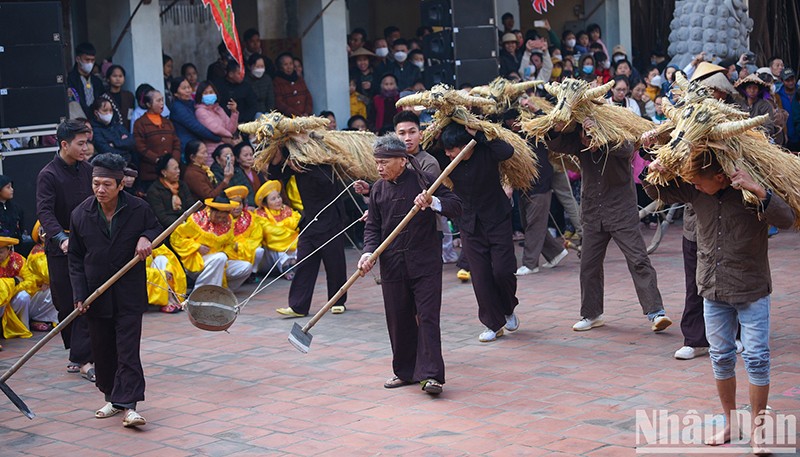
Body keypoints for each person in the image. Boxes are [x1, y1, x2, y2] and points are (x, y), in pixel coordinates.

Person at [645, 152, 795, 453]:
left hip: (750, 287)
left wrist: (759, 190)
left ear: (720, 177)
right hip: (712, 289)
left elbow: (787, 220)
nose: (695, 188)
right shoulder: (694, 190)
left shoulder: (750, 193)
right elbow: (656, 191)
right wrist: (654, 171)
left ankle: (757, 429)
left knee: (756, 359)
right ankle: (730, 422)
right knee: (721, 357)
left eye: (700, 183)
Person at [358, 134, 462, 395]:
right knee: (398, 317)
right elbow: (373, 228)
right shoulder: (378, 190)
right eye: (377, 163)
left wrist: (432, 202)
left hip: (424, 262)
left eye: (384, 162)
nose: (379, 168)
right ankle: (405, 372)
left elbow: (455, 206)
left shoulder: (425, 181)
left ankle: (431, 376)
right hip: (392, 264)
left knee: (427, 317)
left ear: (402, 161)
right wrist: (368, 253)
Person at [545, 119, 671, 333]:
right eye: (583, 134)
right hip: (593, 212)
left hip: (621, 210)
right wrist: (556, 128)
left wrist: (602, 140)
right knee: (588, 265)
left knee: (638, 259)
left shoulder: (619, 136)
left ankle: (655, 312)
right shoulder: (579, 142)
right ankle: (591, 314)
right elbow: (556, 144)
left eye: (590, 134)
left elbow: (627, 148)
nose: (586, 138)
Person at [69, 153, 161, 428]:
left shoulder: (138, 208)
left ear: (121, 185)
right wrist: (79, 294)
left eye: (107, 184)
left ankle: (130, 406)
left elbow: (155, 228)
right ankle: (113, 398)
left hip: (128, 292)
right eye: (96, 183)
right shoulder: (80, 214)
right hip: (96, 294)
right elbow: (74, 258)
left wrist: (146, 238)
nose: (100, 189)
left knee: (127, 349)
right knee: (103, 351)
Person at [439, 123, 520, 342]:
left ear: (466, 146)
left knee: (503, 271)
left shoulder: (486, 151)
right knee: (481, 276)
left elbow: (507, 151)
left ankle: (508, 308)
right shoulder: (447, 160)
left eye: (452, 149)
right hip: (469, 223)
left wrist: (480, 134)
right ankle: (492, 324)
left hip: (497, 218)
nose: (447, 154)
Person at [36, 119, 95, 381]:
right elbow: (45, 211)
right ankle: (76, 352)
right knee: (65, 301)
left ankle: (84, 358)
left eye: (86, 143)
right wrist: (60, 237)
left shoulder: (88, 170)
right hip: (61, 246)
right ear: (64, 144)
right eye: (80, 143)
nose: (85, 148)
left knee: (84, 299)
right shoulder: (48, 175)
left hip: (87, 245)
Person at [270, 150, 348, 317]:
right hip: (309, 220)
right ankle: (298, 306)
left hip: (331, 218)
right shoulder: (295, 158)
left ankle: (337, 301)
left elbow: (326, 181)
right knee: (304, 262)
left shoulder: (324, 157)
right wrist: (277, 158)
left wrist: (302, 167)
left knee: (334, 262)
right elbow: (274, 175)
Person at [504, 111, 568, 276]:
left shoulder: (535, 131)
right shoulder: (511, 136)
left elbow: (549, 123)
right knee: (529, 223)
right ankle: (555, 253)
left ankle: (530, 264)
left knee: (534, 224)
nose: (513, 124)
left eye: (515, 120)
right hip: (523, 185)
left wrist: (533, 108)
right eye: (510, 121)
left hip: (540, 184)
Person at [170, 196, 251, 290]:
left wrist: (226, 253)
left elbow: (230, 244)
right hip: (198, 262)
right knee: (220, 257)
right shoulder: (196, 220)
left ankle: (222, 291)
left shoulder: (229, 222)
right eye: (218, 217)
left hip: (220, 261)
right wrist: (197, 247)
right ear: (211, 211)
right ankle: (203, 292)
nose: (220, 220)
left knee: (246, 267)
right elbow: (176, 238)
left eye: (223, 217)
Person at [0, 237, 57, 336]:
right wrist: (13, 282)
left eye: (0, 252)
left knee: (24, 296)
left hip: (13, 299)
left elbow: (30, 281)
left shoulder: (18, 260)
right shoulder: (37, 254)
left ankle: (24, 326)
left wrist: (11, 290)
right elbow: (48, 274)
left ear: (8, 250)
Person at [132, 89, 181, 192]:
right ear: (148, 104)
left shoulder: (167, 122)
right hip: (150, 174)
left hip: (170, 173)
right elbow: (140, 147)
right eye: (158, 101)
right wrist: (158, 160)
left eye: (162, 100)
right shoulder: (140, 123)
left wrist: (173, 161)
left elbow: (176, 142)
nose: (162, 103)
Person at [254, 180, 299, 279]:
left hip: (289, 245)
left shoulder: (286, 209)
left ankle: (292, 263)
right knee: (276, 242)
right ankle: (285, 266)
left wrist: (281, 227)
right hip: (269, 255)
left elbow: (296, 221)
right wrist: (287, 229)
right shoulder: (260, 214)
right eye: (273, 199)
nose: (278, 200)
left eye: (278, 197)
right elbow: (270, 232)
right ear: (265, 203)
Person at [18, 222, 57, 332]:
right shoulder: (37, 253)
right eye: (43, 231)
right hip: (35, 292)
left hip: (45, 288)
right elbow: (48, 274)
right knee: (57, 289)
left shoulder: (52, 248)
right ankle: (38, 318)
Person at [170, 77, 221, 155]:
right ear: (175, 93)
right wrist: (218, 138)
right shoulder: (177, 108)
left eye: (189, 87)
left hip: (198, 144)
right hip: (187, 148)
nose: (188, 90)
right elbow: (196, 127)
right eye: (184, 88)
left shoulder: (192, 103)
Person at [224, 186, 264, 277]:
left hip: (248, 249)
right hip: (229, 253)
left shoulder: (250, 217)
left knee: (259, 251)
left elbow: (256, 238)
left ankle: (252, 273)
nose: (237, 207)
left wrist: (241, 246)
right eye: (233, 204)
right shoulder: (221, 219)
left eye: (239, 203)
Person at [146, 155, 196, 228]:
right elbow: (162, 217)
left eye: (178, 167)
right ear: (164, 172)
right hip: (168, 228)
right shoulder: (154, 190)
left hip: (187, 223)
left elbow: (191, 205)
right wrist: (182, 225)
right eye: (175, 169)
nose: (178, 171)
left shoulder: (182, 185)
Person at [195, 80, 240, 154]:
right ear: (200, 96)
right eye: (205, 93)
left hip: (227, 148)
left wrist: (234, 112)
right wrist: (230, 138)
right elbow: (215, 129)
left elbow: (231, 129)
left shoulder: (218, 109)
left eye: (211, 92)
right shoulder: (200, 111)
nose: (209, 95)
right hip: (212, 149)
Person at [90, 98, 136, 162]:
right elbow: (106, 150)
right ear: (96, 112)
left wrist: (114, 143)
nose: (109, 113)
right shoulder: (95, 130)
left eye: (111, 110)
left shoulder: (117, 125)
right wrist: (124, 148)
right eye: (105, 110)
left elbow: (131, 142)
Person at [67, 42, 105, 117]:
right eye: (87, 60)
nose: (90, 63)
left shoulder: (97, 81)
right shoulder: (69, 80)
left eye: (92, 60)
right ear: (78, 59)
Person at [273, 52, 314, 117]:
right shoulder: (277, 81)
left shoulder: (299, 79)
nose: (289, 67)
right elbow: (279, 103)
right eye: (285, 64)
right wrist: (297, 115)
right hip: (289, 119)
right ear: (280, 67)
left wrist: (307, 112)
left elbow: (308, 97)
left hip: (305, 117)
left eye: (291, 64)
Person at [103, 65, 135, 131]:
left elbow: (130, 114)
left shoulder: (129, 96)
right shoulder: (104, 97)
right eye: (114, 76)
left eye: (120, 76)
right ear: (108, 79)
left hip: (127, 130)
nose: (118, 79)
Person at [233, 142, 261, 207]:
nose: (249, 158)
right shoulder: (236, 173)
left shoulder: (257, 171)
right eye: (245, 155)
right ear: (237, 159)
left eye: (251, 155)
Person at [0, 175, 23, 240]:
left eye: (11, 187)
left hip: (15, 245)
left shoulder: (16, 208)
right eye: (8, 187)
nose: (12, 189)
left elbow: (21, 227)